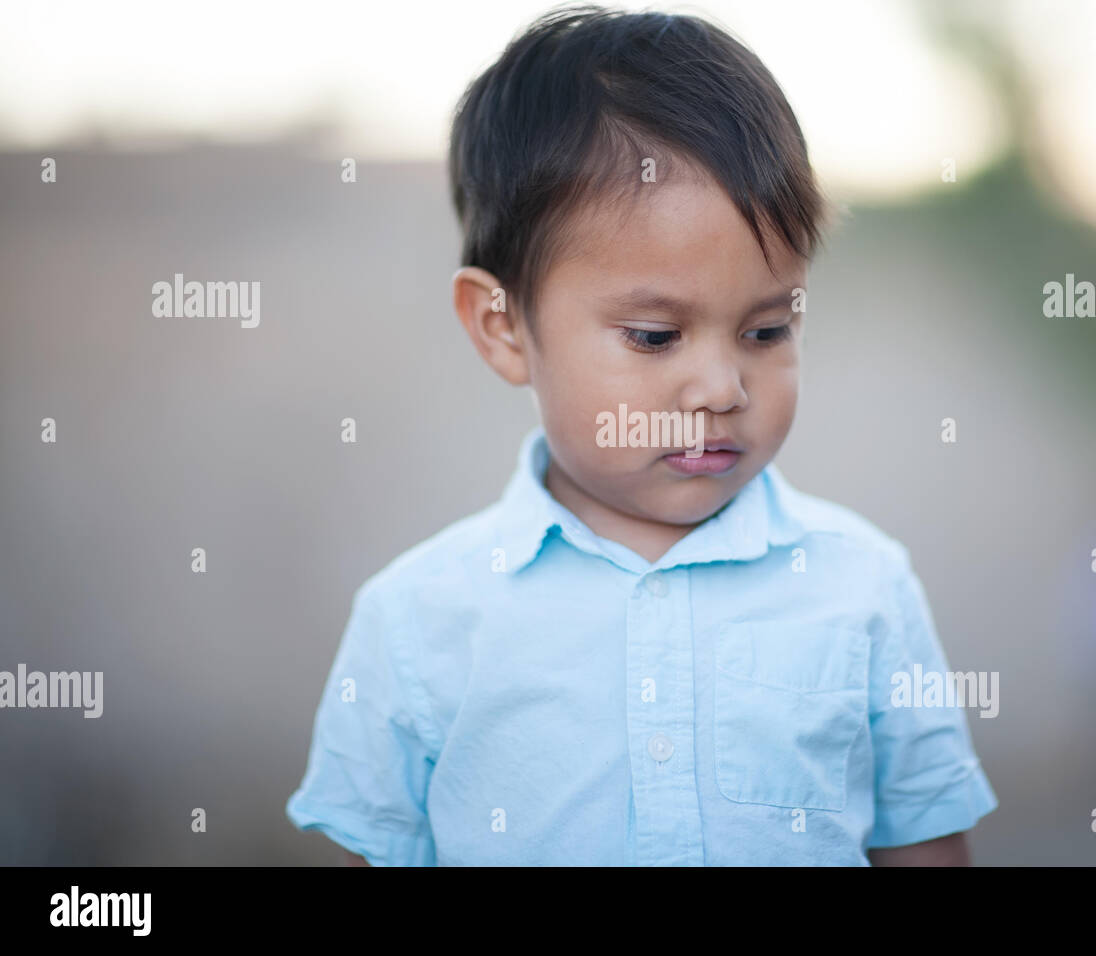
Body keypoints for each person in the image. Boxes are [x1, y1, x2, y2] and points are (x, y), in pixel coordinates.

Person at [286, 3, 997, 865]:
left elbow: (927, 849)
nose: (722, 387)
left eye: (767, 330)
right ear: (503, 328)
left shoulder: (863, 589)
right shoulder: (420, 621)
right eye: (656, 337)